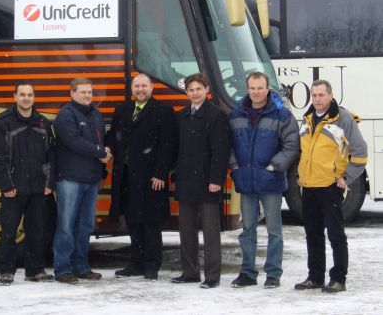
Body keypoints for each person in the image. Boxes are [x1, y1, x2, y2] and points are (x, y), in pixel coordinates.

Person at [295, 79, 367, 293]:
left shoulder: (343, 118)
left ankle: (338, 279)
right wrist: (300, 175)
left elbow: (360, 152)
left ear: (330, 96)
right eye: (314, 95)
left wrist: (346, 178)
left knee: (335, 234)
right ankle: (315, 277)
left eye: (321, 95)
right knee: (313, 234)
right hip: (308, 186)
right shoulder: (307, 118)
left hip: (330, 186)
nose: (317, 99)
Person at [229, 72, 299, 289]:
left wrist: (273, 166)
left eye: (260, 88)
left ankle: (273, 274)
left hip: (271, 181)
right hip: (246, 181)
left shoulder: (282, 115)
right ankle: (247, 273)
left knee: (274, 231)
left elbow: (291, 146)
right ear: (247, 89)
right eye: (252, 88)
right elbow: (228, 144)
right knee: (247, 229)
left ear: (268, 88)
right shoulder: (236, 114)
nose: (256, 92)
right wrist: (235, 166)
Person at [106, 73, 177, 281]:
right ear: (132, 89)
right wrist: (109, 145)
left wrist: (160, 173)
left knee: (151, 223)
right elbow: (113, 133)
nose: (140, 90)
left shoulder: (163, 111)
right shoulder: (122, 110)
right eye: (137, 86)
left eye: (144, 86)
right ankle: (136, 263)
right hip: (126, 177)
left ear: (151, 88)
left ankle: (152, 265)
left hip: (151, 177)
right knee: (133, 221)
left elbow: (168, 145)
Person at [0, 82, 55, 286]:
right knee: (9, 231)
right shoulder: (4, 123)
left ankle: (34, 271)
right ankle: (6, 271)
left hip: (38, 188)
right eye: (22, 95)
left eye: (30, 95)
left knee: (37, 231)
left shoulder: (43, 123)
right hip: (14, 189)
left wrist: (49, 183)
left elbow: (50, 157)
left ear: (34, 97)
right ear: (15, 97)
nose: (26, 98)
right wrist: (6, 186)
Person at [171, 73, 230, 289]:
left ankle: (212, 276)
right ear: (186, 92)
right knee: (186, 231)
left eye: (198, 89)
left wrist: (216, 179)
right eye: (191, 89)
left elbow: (220, 151)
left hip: (208, 181)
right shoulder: (182, 115)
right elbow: (176, 149)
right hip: (186, 181)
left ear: (207, 90)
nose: (195, 93)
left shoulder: (216, 115)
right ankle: (190, 272)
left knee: (210, 232)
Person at [53, 77, 111, 284]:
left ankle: (81, 266)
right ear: (72, 93)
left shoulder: (96, 115)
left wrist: (101, 171)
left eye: (90, 92)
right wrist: (99, 152)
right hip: (70, 179)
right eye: (83, 91)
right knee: (66, 226)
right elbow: (74, 142)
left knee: (86, 225)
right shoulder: (65, 115)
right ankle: (62, 268)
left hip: (91, 179)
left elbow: (100, 143)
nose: (87, 95)